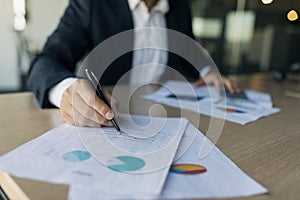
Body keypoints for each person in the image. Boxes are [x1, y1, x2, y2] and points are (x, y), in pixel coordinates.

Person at [27, 0, 240, 127]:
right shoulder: (92, 4)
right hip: (110, 118)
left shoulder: (179, 6)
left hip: (163, 114)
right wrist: (65, 90)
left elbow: (188, 48)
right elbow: (46, 61)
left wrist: (207, 69)